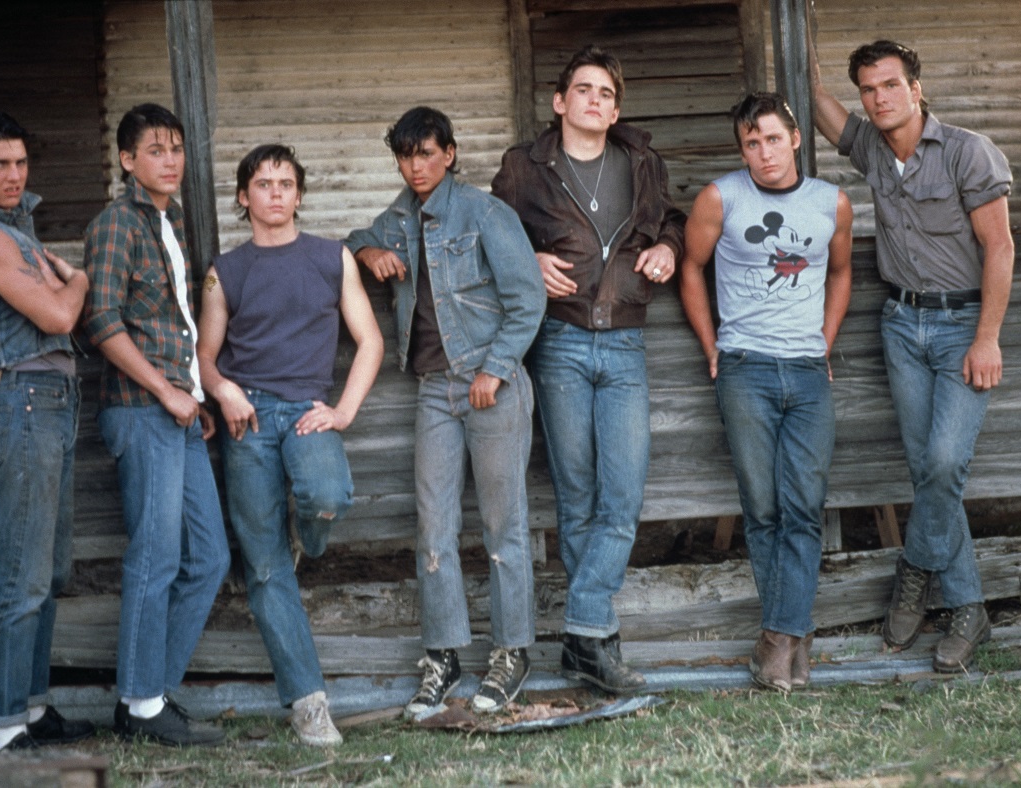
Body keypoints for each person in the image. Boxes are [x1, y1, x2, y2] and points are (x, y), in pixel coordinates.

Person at [810, 40, 1015, 671]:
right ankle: (968, 611)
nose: (879, 98)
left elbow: (1001, 248)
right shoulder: (871, 146)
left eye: (890, 86)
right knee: (927, 466)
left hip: (959, 327)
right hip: (900, 325)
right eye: (869, 89)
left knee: (945, 463)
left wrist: (987, 337)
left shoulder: (966, 151)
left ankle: (916, 571)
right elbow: (822, 108)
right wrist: (803, 53)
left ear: (916, 88)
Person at [491, 45, 686, 694]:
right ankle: (596, 647)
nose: (595, 101)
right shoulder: (525, 167)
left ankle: (584, 629)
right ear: (559, 101)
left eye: (606, 92)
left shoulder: (642, 162)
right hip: (561, 342)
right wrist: (526, 259)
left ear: (616, 107)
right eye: (584, 89)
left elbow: (675, 222)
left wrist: (665, 246)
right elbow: (491, 236)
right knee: (576, 501)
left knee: (622, 497)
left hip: (625, 343)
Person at [348, 107, 545, 717]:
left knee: (502, 524)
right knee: (433, 525)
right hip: (434, 389)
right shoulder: (400, 218)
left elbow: (528, 299)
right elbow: (354, 238)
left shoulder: (485, 213)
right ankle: (443, 653)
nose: (417, 167)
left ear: (451, 154)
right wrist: (369, 253)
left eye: (428, 154)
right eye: (407, 157)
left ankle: (512, 651)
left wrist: (493, 368)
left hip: (493, 384)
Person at [196, 144, 383, 745]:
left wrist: (343, 410)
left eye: (285, 183)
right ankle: (308, 703)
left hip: (307, 411)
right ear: (244, 197)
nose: (274, 193)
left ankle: (311, 534)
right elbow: (204, 354)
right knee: (267, 566)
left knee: (328, 496)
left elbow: (369, 340)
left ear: (299, 195)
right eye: (262, 183)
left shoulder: (333, 257)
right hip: (247, 419)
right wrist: (224, 390)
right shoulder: (225, 269)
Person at [679, 93, 852, 691]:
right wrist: (712, 346)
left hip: (806, 371)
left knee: (804, 506)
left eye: (773, 139)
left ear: (796, 138)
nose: (763, 153)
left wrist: (823, 343)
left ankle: (778, 642)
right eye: (751, 143)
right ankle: (791, 647)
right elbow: (690, 267)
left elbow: (841, 271)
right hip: (745, 367)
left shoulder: (832, 202)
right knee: (764, 510)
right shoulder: (720, 198)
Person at [0, 109, 94, 752]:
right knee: (22, 570)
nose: (13, 175)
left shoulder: (13, 226)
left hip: (51, 398)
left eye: (20, 162)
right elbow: (60, 309)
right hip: (24, 401)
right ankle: (4, 722)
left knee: (50, 567)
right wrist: (82, 278)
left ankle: (31, 707)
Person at [83, 103, 230, 745]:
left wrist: (190, 397)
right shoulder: (117, 223)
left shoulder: (170, 226)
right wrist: (166, 392)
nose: (169, 160)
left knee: (211, 557)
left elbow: (176, 327)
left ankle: (149, 693)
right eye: (155, 149)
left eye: (176, 148)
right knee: (156, 558)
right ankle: (142, 703)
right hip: (142, 411)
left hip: (176, 411)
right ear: (126, 160)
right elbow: (102, 323)